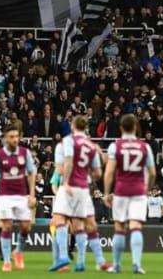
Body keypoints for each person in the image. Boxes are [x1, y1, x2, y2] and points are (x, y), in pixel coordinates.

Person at [48, 116, 110, 272]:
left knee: (59, 220)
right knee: (83, 224)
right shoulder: (90, 145)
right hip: (83, 188)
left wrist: (67, 180)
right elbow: (97, 173)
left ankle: (63, 256)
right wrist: (85, 174)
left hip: (68, 187)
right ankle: (83, 261)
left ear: (72, 126)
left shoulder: (66, 142)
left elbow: (64, 166)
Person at [103, 114, 156, 274]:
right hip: (139, 190)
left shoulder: (115, 146)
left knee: (119, 227)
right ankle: (136, 264)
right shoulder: (144, 147)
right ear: (135, 127)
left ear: (121, 128)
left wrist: (106, 193)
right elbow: (152, 173)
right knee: (136, 227)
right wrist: (147, 190)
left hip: (121, 191)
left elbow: (109, 172)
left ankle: (117, 265)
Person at [0, 126, 37, 272]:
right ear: (5, 139)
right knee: (7, 225)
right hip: (5, 195)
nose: (15, 139)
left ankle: (18, 251)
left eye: (17, 136)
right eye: (12, 137)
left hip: (21, 195)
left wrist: (32, 195)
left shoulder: (24, 153)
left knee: (26, 227)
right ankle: (7, 261)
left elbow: (31, 173)